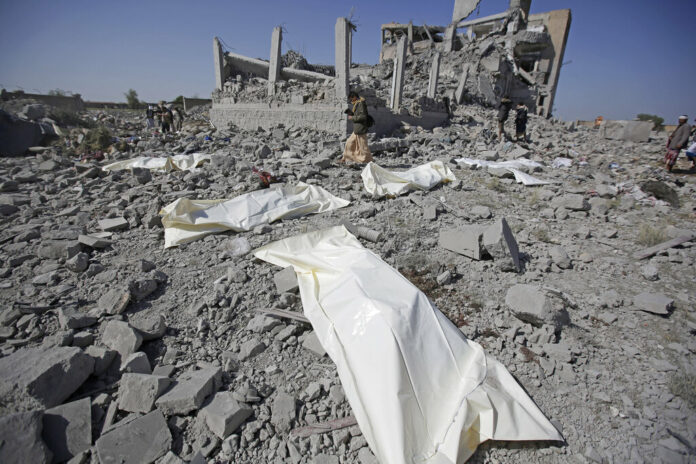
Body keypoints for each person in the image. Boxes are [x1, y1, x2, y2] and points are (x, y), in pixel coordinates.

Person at [339, 90, 373, 164]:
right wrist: (352, 113)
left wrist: (353, 118)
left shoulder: (361, 103)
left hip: (361, 128)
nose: (351, 100)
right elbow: (358, 114)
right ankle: (346, 158)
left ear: (354, 97)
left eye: (351, 99)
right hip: (357, 129)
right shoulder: (357, 104)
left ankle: (368, 161)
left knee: (363, 147)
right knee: (349, 142)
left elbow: (363, 117)